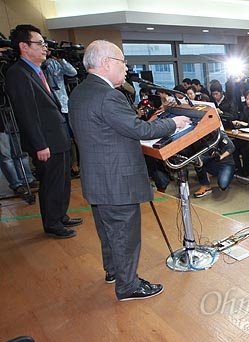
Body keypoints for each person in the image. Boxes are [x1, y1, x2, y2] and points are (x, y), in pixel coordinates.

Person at [68, 40, 191, 301]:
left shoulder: (80, 92)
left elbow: (114, 128)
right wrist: (173, 123)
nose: (126, 68)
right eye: (122, 62)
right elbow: (140, 130)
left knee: (108, 230)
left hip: (98, 177)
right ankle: (128, 286)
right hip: (117, 180)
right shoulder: (108, 95)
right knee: (125, 233)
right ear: (106, 63)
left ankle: (114, 271)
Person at [6, 24, 80, 239]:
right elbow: (26, 113)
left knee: (63, 179)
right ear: (24, 46)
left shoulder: (37, 70)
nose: (45, 47)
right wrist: (39, 144)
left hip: (58, 137)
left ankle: (61, 215)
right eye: (39, 43)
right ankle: (52, 223)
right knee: (51, 183)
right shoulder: (18, 73)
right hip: (46, 141)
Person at [43, 47, 80, 177]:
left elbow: (72, 72)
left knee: (71, 137)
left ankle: (74, 164)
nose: (45, 51)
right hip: (48, 107)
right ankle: (62, 167)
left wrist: (60, 59)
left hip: (64, 104)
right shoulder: (40, 66)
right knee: (58, 138)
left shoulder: (56, 63)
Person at [193, 131, 236, 198]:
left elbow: (231, 148)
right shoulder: (197, 135)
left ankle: (227, 174)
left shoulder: (219, 134)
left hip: (226, 163)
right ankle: (205, 186)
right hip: (210, 161)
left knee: (223, 185)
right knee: (197, 161)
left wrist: (221, 157)